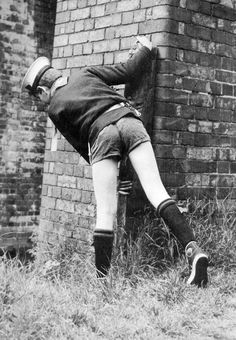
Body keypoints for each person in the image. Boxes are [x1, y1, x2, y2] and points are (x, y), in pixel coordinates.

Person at [21, 36, 208, 287]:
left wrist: (113, 176)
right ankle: (194, 251)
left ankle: (102, 282)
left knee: (105, 212)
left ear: (43, 91)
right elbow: (128, 71)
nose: (40, 102)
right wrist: (144, 48)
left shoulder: (54, 107)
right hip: (129, 119)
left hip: (101, 134)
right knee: (157, 191)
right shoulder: (85, 73)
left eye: (38, 98)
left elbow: (82, 146)